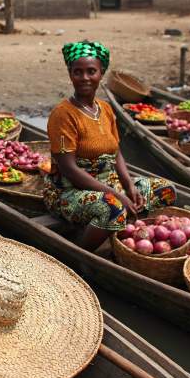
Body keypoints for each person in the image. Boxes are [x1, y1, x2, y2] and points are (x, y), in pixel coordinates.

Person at [44, 41, 177, 251]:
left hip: (109, 185)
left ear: (101, 73)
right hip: (70, 192)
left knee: (166, 190)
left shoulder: (105, 109)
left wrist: (129, 187)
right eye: (78, 72)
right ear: (70, 75)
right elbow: (69, 169)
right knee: (112, 208)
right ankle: (80, 254)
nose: (85, 78)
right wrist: (117, 196)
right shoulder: (63, 114)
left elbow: (116, 153)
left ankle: (129, 233)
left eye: (91, 71)